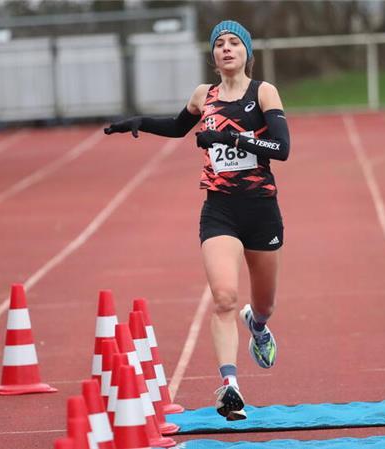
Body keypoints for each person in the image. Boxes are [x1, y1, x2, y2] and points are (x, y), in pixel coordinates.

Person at [104, 20, 290, 421]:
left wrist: (229, 137)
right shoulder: (203, 96)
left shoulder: (263, 92)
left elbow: (281, 147)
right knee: (224, 298)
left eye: (234, 42)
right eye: (219, 44)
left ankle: (258, 326)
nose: (227, 48)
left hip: (261, 211)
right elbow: (177, 128)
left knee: (264, 304)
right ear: (213, 56)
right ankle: (230, 385)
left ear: (246, 52)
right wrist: (139, 122)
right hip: (220, 210)